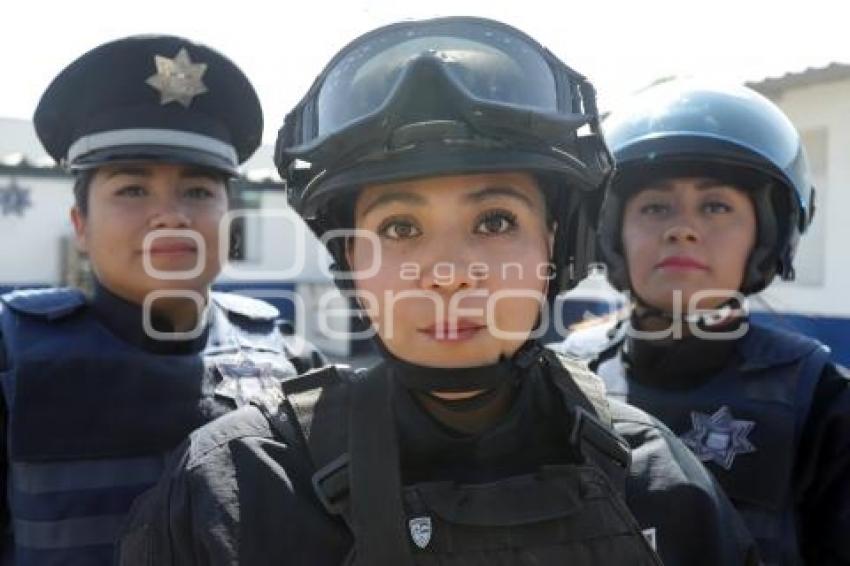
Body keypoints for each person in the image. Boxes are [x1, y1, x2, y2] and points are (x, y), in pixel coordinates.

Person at [118, 18, 758, 565]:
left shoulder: (658, 478)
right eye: (400, 227)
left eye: (496, 220)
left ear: (553, 245)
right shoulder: (240, 485)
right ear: (351, 259)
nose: (448, 272)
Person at [0, 35, 324, 565]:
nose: (171, 215)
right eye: (132, 189)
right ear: (80, 225)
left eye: (198, 191)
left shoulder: (290, 364)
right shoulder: (11, 356)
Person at [553, 79, 850, 565]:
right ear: (611, 233)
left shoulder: (823, 402)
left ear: (766, 235)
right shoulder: (560, 381)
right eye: (654, 206)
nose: (681, 228)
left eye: (716, 206)